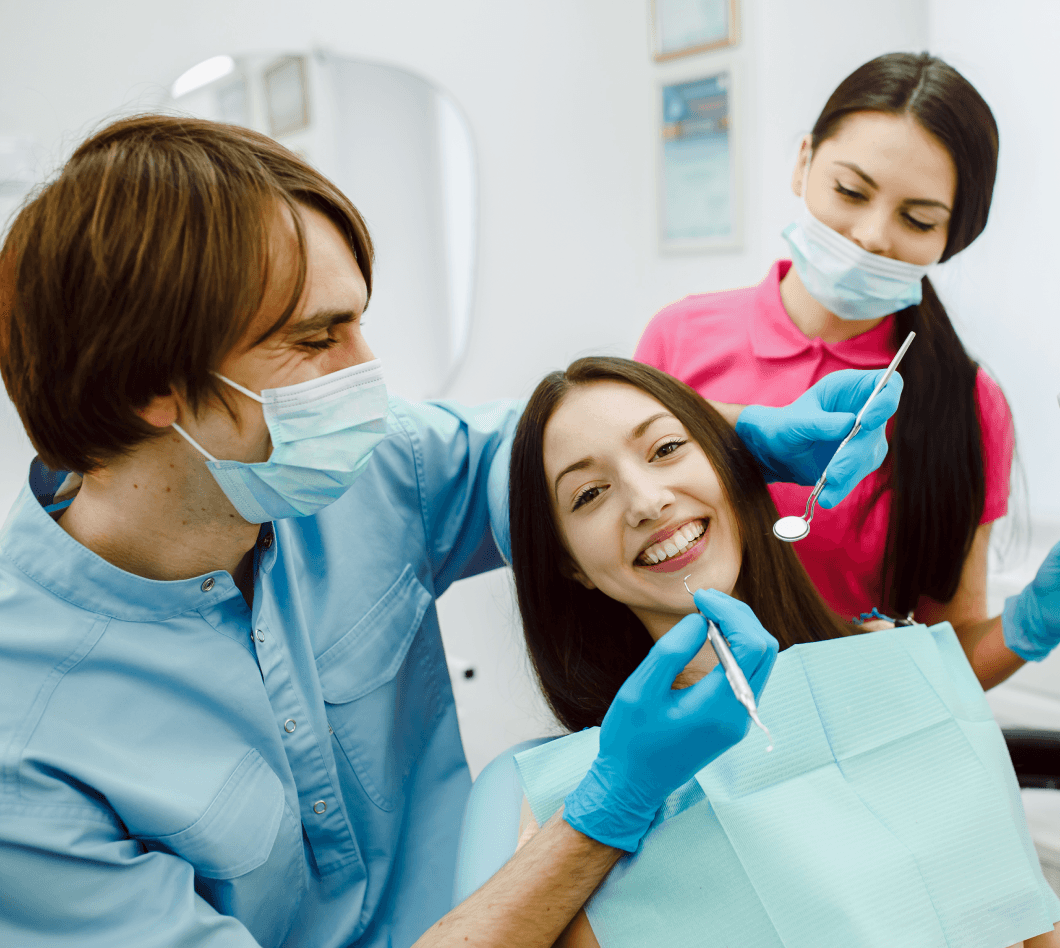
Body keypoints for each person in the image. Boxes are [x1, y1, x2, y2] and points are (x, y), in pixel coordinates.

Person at [0, 115, 904, 948]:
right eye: (316, 341)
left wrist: (739, 429)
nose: (370, 379)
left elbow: (550, 447)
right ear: (145, 389)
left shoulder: (371, 467)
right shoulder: (27, 749)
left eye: (360, 321)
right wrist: (611, 806)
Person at [506, 356, 1060, 948]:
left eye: (665, 449)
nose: (648, 502)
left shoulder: (893, 660)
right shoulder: (577, 804)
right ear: (569, 564)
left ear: (729, 465)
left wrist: (1027, 626)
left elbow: (1027, 915)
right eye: (590, 493)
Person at [635, 52, 1060, 690]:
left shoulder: (963, 402)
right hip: (678, 730)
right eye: (850, 191)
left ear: (953, 237)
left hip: (847, 731)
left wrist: (1028, 627)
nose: (873, 235)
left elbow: (945, 654)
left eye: (918, 219)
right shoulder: (679, 339)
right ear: (802, 164)